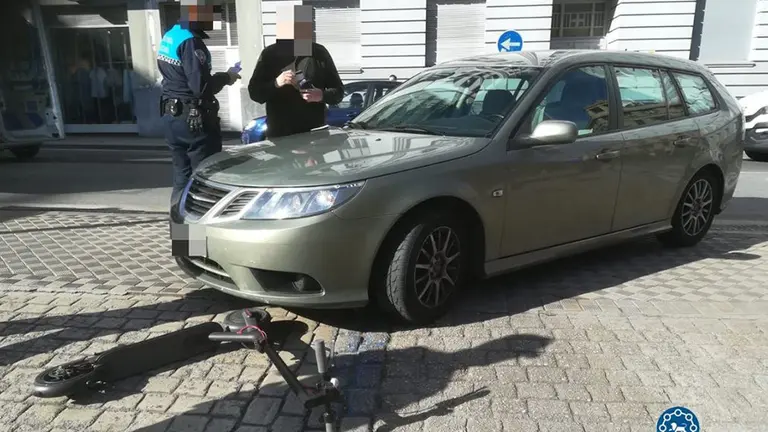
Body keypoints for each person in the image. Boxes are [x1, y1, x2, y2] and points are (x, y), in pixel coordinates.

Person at [157, 1, 240, 205]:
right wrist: (226, 77)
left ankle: (181, 233)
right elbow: (200, 87)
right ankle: (200, 234)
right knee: (205, 180)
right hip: (193, 121)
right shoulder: (191, 42)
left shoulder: (170, 35)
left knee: (181, 178)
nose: (215, 19)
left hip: (172, 116)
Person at [248, 4, 344, 139]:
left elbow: (339, 92)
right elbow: (254, 93)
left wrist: (321, 95)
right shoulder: (270, 54)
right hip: (280, 136)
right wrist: (276, 83)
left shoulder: (319, 53)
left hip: (314, 136)